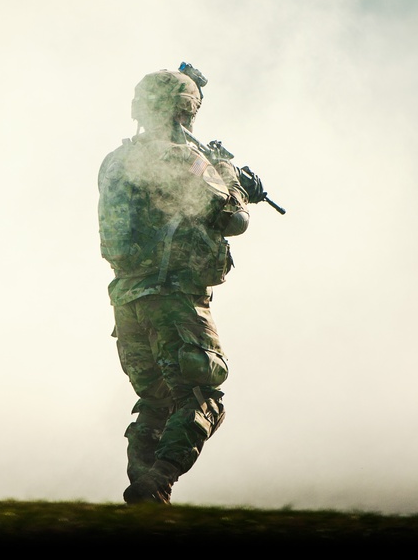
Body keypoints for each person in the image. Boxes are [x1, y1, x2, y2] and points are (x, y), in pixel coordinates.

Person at [97, 63, 268, 505]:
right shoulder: (184, 158)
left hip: (127, 299)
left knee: (155, 403)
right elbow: (231, 217)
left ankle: (143, 487)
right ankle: (158, 483)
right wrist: (232, 179)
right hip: (174, 297)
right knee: (201, 398)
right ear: (184, 111)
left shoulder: (115, 161)